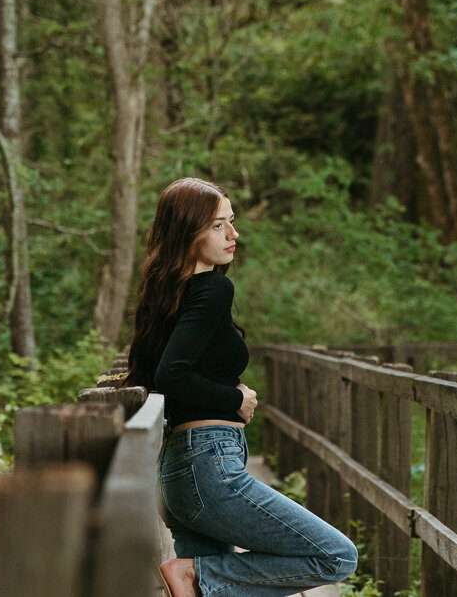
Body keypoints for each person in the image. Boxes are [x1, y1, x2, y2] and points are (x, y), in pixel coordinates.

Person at [125, 177, 358, 597]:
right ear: (186, 232)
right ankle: (198, 574)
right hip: (209, 464)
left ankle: (197, 576)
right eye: (217, 225)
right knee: (336, 556)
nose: (234, 234)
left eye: (230, 222)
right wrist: (237, 398)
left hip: (180, 472)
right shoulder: (212, 288)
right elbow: (172, 375)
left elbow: (168, 372)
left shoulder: (173, 294)